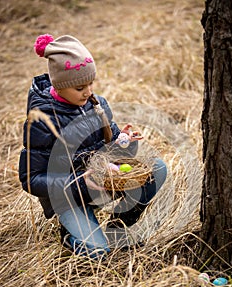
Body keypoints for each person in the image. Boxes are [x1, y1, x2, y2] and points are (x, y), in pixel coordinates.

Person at [19, 34, 167, 260]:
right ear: (60, 85)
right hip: (68, 197)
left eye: (90, 83)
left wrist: (125, 142)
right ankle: (70, 234)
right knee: (97, 251)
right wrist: (78, 181)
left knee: (157, 169)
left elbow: (115, 154)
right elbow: (31, 178)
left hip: (103, 183)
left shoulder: (97, 105)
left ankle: (117, 228)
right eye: (80, 87)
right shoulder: (41, 121)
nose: (88, 92)